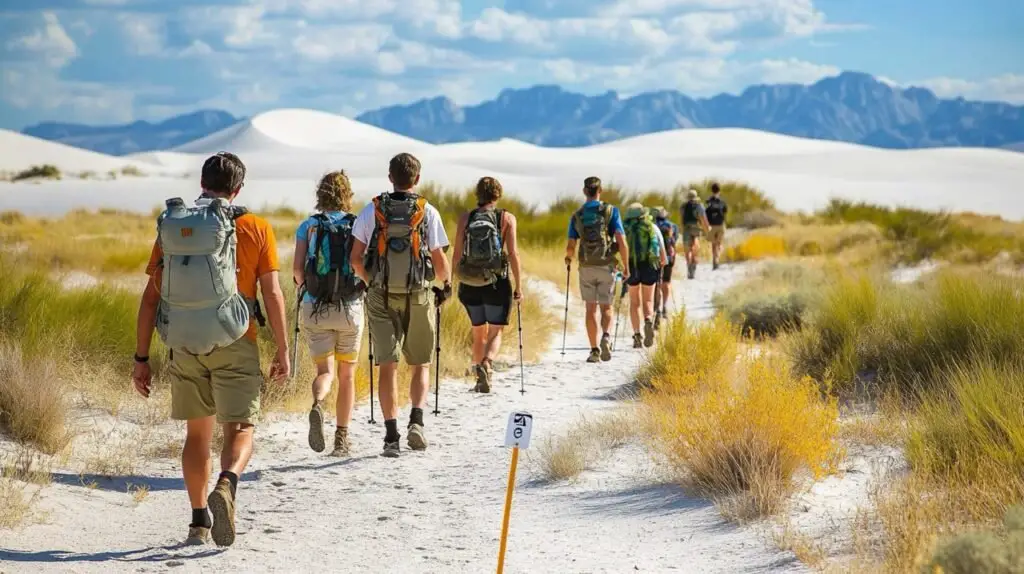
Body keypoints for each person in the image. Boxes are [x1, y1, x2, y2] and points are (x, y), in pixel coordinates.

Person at [131, 152, 290, 548]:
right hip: (238, 339)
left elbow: (150, 299)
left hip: (184, 342)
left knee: (196, 435)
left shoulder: (173, 226)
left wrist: (141, 357)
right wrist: (283, 349)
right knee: (241, 427)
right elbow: (271, 293)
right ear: (238, 189)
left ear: (202, 183)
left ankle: (199, 520)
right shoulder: (255, 227)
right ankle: (228, 483)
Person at [351, 153, 452, 458]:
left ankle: (391, 436)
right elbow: (440, 260)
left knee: (387, 366)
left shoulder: (373, 210)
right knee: (420, 362)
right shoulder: (427, 211)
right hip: (418, 293)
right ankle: (417, 423)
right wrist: (444, 285)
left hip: (380, 294)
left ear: (390, 177)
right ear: (417, 179)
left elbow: (355, 259)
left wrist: (371, 281)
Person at [292, 171, 365, 457]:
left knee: (325, 371)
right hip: (349, 308)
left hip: (315, 305)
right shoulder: (358, 224)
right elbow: (361, 265)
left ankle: (318, 404)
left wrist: (305, 287)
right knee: (347, 375)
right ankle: (341, 439)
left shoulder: (308, 226)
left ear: (320, 194)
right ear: (348, 194)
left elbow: (298, 271)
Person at [452, 176, 522, 394]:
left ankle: (477, 376)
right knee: (495, 331)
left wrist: (452, 281)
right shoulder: (506, 218)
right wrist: (519, 286)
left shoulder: (466, 218)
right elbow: (513, 254)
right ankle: (487, 364)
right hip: (496, 283)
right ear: (498, 194)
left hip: (470, 283)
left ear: (477, 195)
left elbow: (456, 254)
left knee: (477, 332)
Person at [564, 176, 630, 363]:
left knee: (590, 308)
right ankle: (606, 336)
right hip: (606, 265)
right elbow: (621, 240)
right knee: (606, 306)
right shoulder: (611, 211)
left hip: (586, 266)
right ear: (600, 191)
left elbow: (571, 244)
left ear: (585, 191)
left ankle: (594, 351)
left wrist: (569, 258)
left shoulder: (578, 215)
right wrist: (626, 265)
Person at [622, 203, 668, 348]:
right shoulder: (652, 227)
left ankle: (637, 336)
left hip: (631, 267)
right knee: (648, 300)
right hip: (649, 266)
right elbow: (663, 256)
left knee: (634, 302)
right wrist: (661, 262)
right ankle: (648, 320)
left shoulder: (625, 229)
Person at [653, 206, 679, 321]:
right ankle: (665, 306)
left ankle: (656, 308)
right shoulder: (673, 226)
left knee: (657, 283)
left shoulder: (652, 226)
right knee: (666, 282)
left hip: (655, 258)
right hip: (669, 256)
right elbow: (675, 240)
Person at [680, 188, 711, 279]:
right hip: (696, 228)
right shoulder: (699, 206)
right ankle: (693, 266)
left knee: (687, 250)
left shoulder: (683, 206)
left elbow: (682, 220)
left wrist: (682, 230)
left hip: (686, 228)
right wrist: (707, 230)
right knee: (695, 247)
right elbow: (703, 219)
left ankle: (689, 265)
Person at [705, 182, 728, 270]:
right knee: (719, 243)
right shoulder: (722, 202)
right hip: (720, 225)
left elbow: (705, 213)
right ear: (719, 190)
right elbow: (725, 212)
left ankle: (715, 260)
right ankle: (717, 259)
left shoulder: (708, 201)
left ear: (712, 190)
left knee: (713, 244)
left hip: (712, 225)